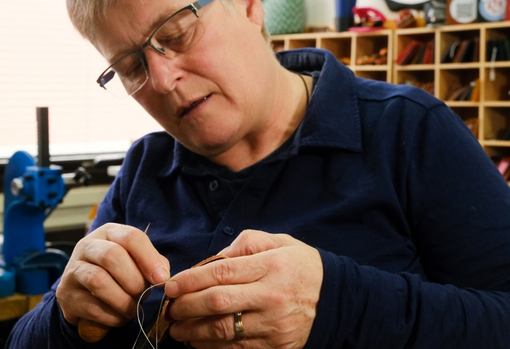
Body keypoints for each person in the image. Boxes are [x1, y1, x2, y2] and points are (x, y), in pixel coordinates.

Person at [6, 0, 510, 347]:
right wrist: (66, 318)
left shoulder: (409, 130)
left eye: (176, 33)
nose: (161, 80)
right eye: (130, 66)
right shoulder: (145, 168)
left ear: (250, 6)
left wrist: (338, 305)